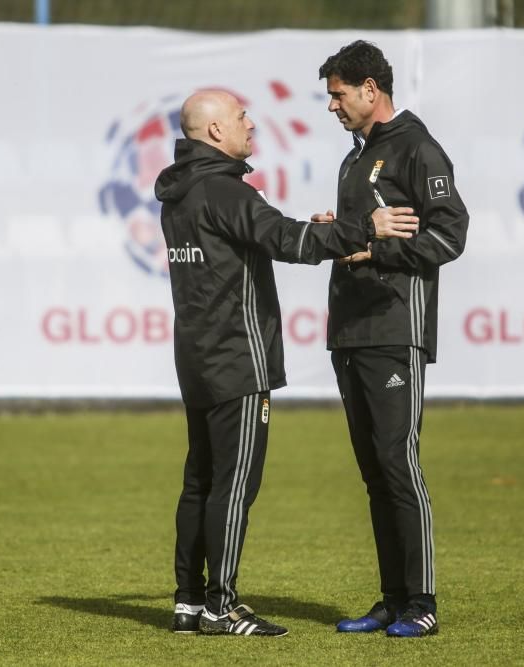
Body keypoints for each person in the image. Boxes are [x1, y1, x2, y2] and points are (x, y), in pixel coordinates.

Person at [155, 89, 419, 637]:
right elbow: (286, 239)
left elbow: (276, 234)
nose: (251, 125)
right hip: (238, 362)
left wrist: (327, 231)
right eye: (241, 117)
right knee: (234, 486)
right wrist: (365, 228)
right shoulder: (224, 191)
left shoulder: (179, 194)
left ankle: (188, 600)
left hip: (197, 358)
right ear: (215, 133)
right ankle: (221, 606)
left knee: (200, 482)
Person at [313, 41, 470, 638]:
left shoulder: (416, 147)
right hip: (350, 329)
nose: (332, 106)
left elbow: (450, 235)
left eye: (338, 94)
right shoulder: (356, 157)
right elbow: (362, 236)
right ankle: (391, 598)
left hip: (394, 329)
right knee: (374, 470)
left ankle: (422, 602)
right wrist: (339, 232)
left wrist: (375, 247)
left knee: (398, 464)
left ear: (370, 90)